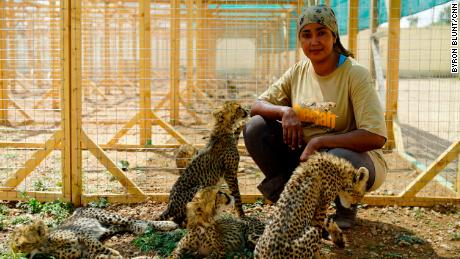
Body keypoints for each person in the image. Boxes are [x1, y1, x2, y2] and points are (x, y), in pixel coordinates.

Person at [243, 4, 387, 229]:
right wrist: (285, 111)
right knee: (255, 128)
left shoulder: (354, 74)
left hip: (355, 158)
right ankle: (291, 204)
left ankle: (345, 207)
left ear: (334, 35)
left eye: (321, 33)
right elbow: (256, 105)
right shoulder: (298, 72)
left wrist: (320, 141)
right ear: (300, 40)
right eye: (306, 35)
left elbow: (375, 137)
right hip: (306, 155)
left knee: (338, 156)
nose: (314, 42)